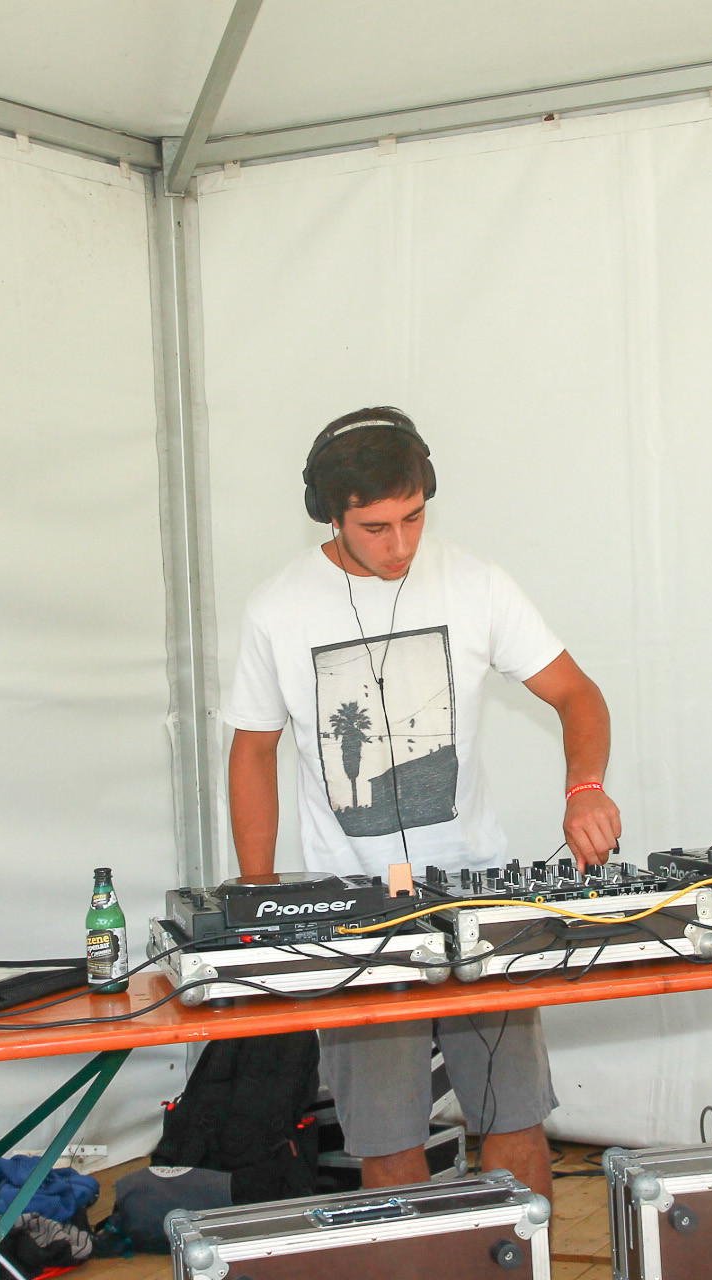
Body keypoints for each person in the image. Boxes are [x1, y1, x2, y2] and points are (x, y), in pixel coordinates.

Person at [222, 406, 622, 1200]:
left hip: (477, 895)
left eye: (413, 518)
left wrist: (585, 788)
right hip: (353, 911)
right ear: (328, 515)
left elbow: (577, 693)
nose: (400, 545)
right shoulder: (277, 610)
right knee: (387, 1138)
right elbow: (253, 750)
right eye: (375, 528)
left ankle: (524, 1252)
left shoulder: (477, 584)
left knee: (513, 1118)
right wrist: (259, 889)